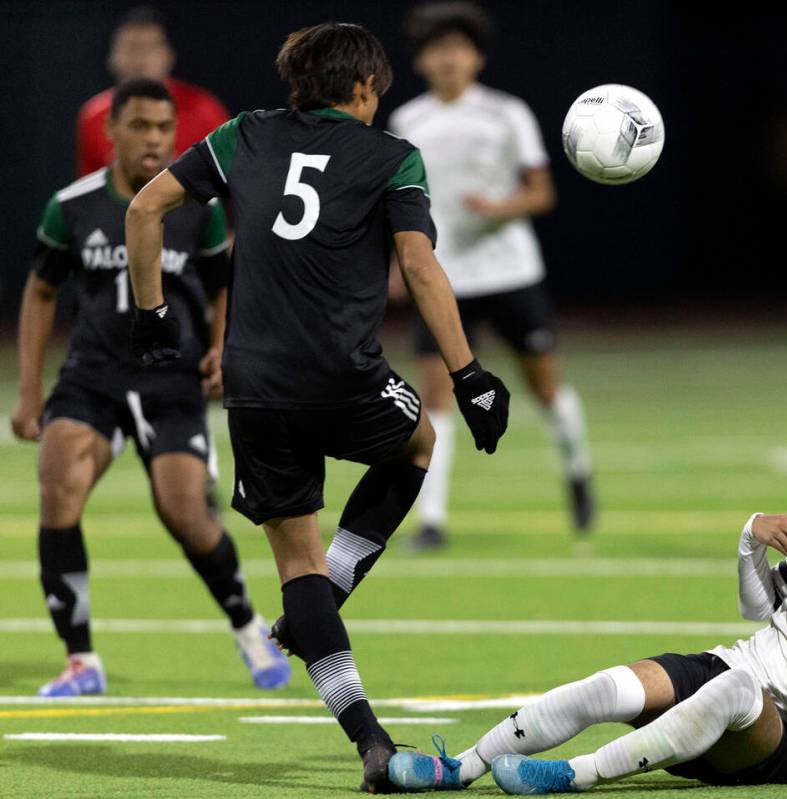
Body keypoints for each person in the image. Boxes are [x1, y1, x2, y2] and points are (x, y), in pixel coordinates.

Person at [124, 22, 510, 791]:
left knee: (293, 562)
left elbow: (143, 209)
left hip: (253, 383)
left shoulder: (245, 135)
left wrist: (151, 316)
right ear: (364, 88)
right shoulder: (392, 155)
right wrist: (469, 374)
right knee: (421, 442)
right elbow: (419, 264)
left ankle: (369, 738)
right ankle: (325, 599)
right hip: (345, 375)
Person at [387, 430, 787, 791]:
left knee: (737, 690)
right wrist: (750, 537)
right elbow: (756, 610)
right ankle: (460, 768)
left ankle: (574, 775)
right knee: (612, 686)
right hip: (735, 670)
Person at [11, 78, 289, 696]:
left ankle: (248, 628)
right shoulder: (73, 205)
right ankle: (81, 661)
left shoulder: (198, 207)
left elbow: (223, 282)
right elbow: (40, 291)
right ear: (110, 130)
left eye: (164, 127)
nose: (155, 139)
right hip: (93, 377)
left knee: (184, 512)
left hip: (172, 377)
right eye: (140, 126)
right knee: (59, 490)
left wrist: (221, 347)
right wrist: (31, 392)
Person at [388, 2, 595, 549]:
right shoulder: (408, 122)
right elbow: (397, 206)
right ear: (422, 60)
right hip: (442, 277)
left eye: (458, 47)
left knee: (544, 388)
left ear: (476, 57)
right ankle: (431, 521)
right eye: (437, 48)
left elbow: (542, 192)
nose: (448, 58)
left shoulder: (507, 113)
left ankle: (577, 471)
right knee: (433, 398)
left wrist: (499, 208)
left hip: (509, 272)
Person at [76, 6, 230, 176]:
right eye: (131, 48)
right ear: (112, 57)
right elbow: (89, 192)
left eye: (150, 47)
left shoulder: (203, 110)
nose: (140, 59)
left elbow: (232, 179)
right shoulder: (93, 116)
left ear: (168, 56)